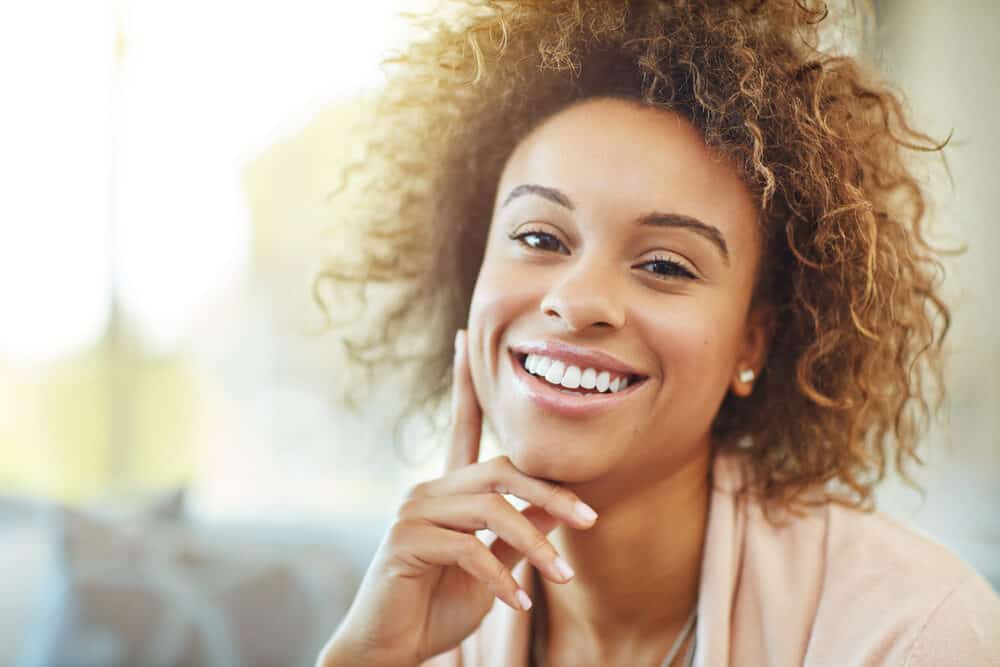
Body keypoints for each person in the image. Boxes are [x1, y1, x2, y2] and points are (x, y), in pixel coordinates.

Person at [314, 1, 1000, 665]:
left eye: (665, 264)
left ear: (751, 343)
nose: (577, 301)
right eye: (539, 237)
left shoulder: (913, 634)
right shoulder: (416, 613)